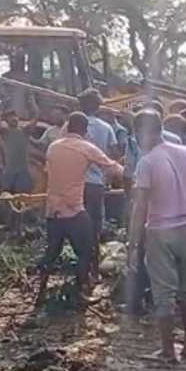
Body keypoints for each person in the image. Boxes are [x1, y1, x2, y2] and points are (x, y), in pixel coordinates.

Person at [128, 110, 186, 363]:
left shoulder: (147, 162)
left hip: (160, 231)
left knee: (164, 294)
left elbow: (140, 207)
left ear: (142, 132)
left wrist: (134, 242)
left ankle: (168, 350)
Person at [42, 112, 124, 298]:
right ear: (85, 130)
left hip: (52, 211)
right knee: (86, 250)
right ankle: (81, 289)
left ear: (68, 126)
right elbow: (112, 168)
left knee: (51, 253)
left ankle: (41, 291)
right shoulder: (86, 148)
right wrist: (133, 174)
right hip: (74, 211)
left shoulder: (53, 147)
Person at [78, 89, 116, 257]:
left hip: (76, 184)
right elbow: (111, 156)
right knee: (95, 224)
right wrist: (107, 180)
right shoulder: (106, 128)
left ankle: (81, 259)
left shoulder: (71, 125)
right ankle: (94, 259)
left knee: (76, 223)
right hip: (97, 183)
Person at [1, 110, 33, 193]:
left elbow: (36, 117)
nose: (14, 118)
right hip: (9, 171)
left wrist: (33, 105)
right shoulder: (5, 132)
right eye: (11, 117)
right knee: (7, 197)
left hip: (23, 170)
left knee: (22, 197)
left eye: (15, 116)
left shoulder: (25, 131)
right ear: (7, 120)